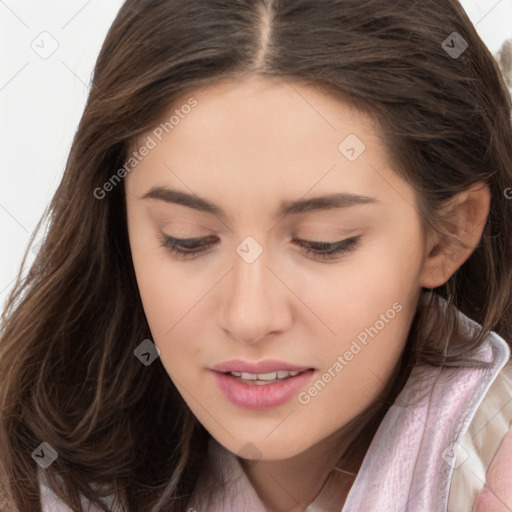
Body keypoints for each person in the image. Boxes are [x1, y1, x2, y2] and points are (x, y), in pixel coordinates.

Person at [1, 1, 511, 511]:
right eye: (187, 239)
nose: (249, 317)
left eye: (323, 242)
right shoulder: (31, 474)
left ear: (447, 235)